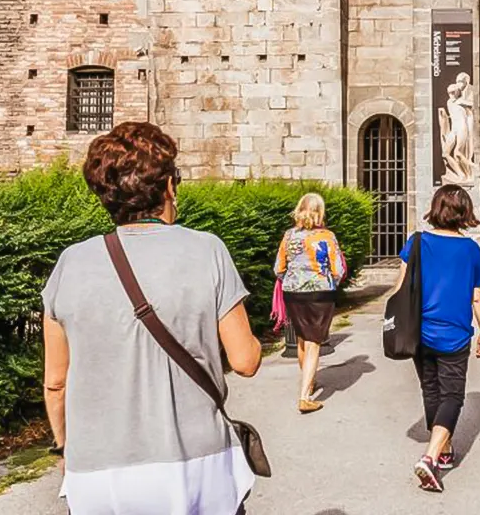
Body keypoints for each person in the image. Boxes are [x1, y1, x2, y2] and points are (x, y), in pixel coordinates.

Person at [41, 122, 262, 515]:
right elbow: (245, 361)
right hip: (195, 465)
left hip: (97, 473)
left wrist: (64, 447)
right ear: (169, 187)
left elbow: (56, 382)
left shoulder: (70, 263)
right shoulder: (207, 250)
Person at [393, 185, 480, 493]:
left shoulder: (417, 242)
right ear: (465, 212)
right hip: (454, 334)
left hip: (419, 331)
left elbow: (400, 287)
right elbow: (477, 295)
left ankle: (444, 448)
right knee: (452, 396)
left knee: (430, 388)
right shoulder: (471, 250)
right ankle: (431, 457)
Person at [274, 193, 347, 414]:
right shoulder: (327, 236)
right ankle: (305, 396)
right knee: (315, 340)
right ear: (320, 212)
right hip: (320, 293)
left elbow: (278, 268)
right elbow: (338, 269)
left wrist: (292, 279)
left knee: (302, 339)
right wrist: (327, 282)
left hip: (293, 291)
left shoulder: (289, 236)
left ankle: (309, 379)